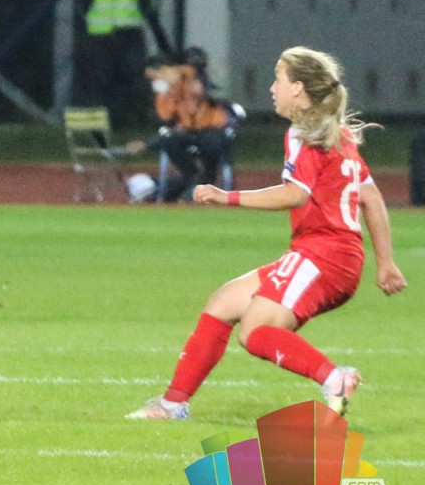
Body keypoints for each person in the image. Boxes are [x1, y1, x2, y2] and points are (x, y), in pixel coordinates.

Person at [128, 46, 407, 420]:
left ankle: (334, 378)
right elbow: (371, 198)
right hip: (332, 257)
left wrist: (226, 196)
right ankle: (172, 404)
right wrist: (385, 262)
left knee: (255, 331)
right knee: (223, 303)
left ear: (298, 88)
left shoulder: (304, 133)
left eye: (278, 80)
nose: (272, 89)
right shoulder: (336, 134)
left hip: (323, 257)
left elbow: (295, 195)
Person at [125, 50, 241, 202]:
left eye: (154, 76)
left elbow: (206, 88)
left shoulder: (190, 75)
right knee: (169, 140)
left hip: (213, 129)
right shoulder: (165, 95)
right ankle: (190, 176)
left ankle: (207, 179)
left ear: (164, 70)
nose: (154, 82)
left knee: (211, 143)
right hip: (189, 132)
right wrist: (147, 144)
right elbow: (169, 122)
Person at [81, 0, 150, 128]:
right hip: (101, 37)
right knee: (102, 81)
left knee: (128, 79)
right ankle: (103, 122)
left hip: (128, 35)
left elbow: (145, 4)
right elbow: (84, 3)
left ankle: (126, 121)